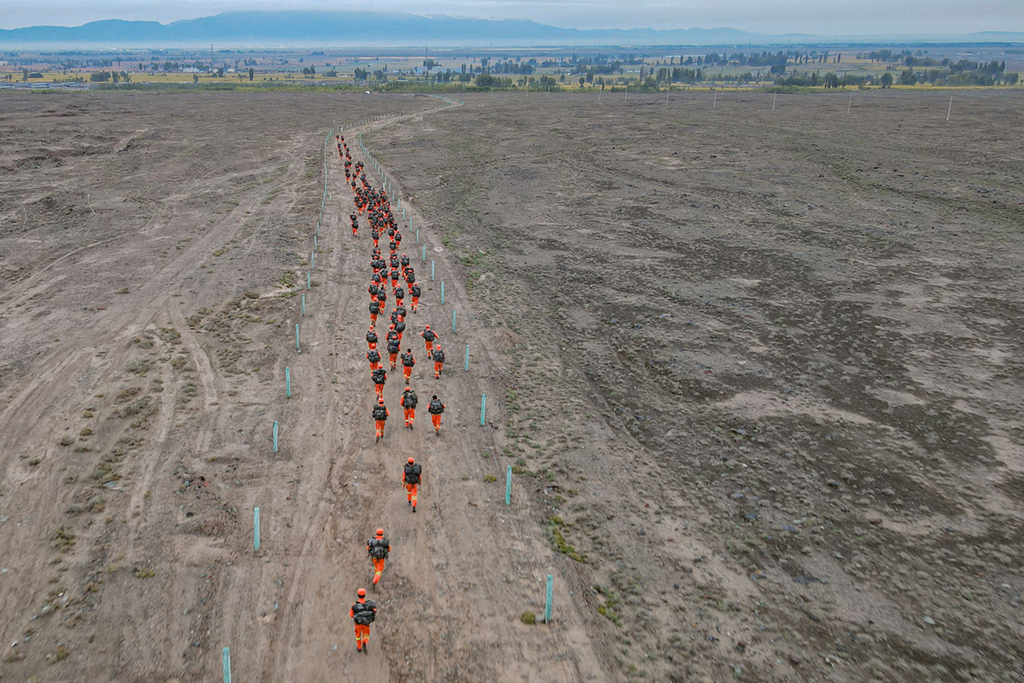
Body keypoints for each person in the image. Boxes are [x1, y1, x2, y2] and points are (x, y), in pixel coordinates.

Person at [350, 588, 376, 653]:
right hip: (366, 623)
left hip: (358, 624)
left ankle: (359, 647)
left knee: (358, 636)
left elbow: (351, 615)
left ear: (358, 595)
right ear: (364, 595)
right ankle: (365, 640)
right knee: (366, 634)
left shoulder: (355, 605)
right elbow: (374, 611)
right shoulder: (368, 605)